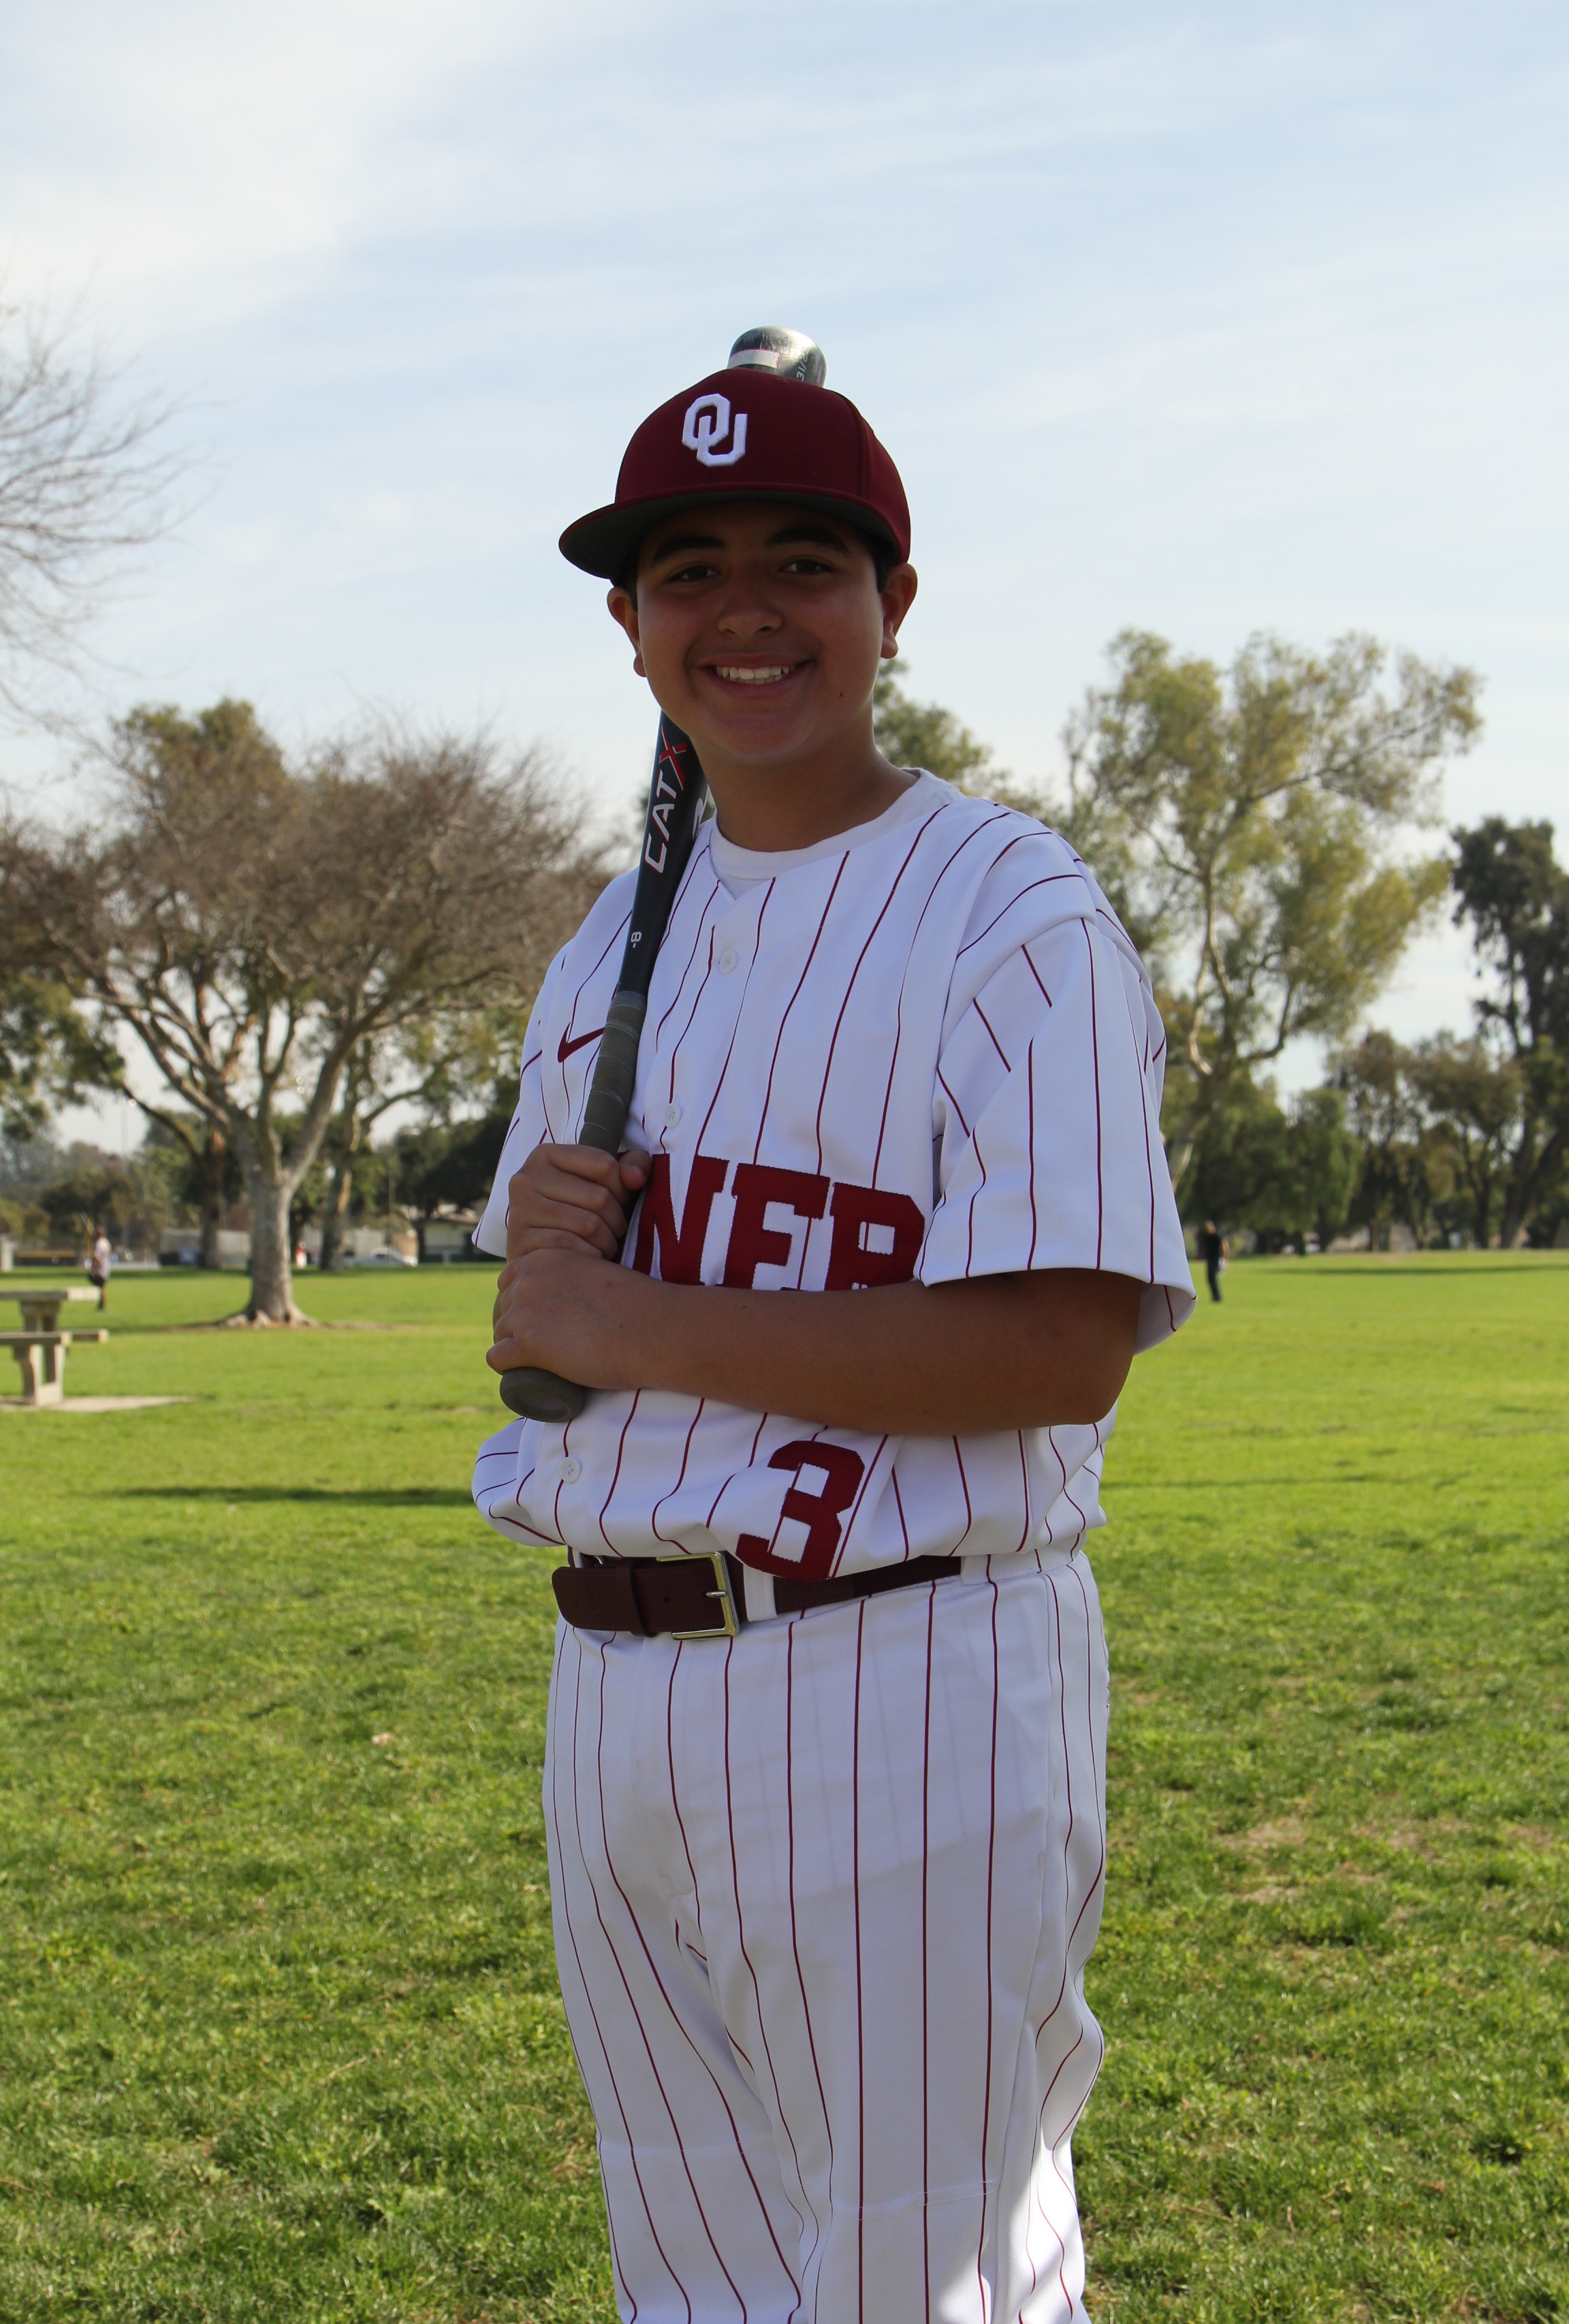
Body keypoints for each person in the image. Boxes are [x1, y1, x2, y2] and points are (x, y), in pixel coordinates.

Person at [475, 339, 1194, 2324]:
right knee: (697, 2281)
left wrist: (628, 1310)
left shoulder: (1010, 913)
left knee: (926, 2279)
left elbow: (1057, 1348)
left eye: (804, 560)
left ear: (894, 602)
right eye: (689, 570)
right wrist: (554, 1269)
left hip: (901, 1668)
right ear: (630, 629)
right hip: (616, 1681)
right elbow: (553, 1323)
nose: (747, 612)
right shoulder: (602, 951)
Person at [1199, 1219, 1226, 1303]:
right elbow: (1206, 1248)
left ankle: (1217, 1296)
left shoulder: (1217, 1236)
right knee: (1210, 1278)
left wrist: (1225, 1258)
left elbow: (1224, 1246)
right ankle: (1215, 1296)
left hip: (1216, 1258)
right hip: (1210, 1259)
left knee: (1213, 1277)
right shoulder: (1207, 1237)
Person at [89, 1227, 111, 1310]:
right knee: (102, 1287)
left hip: (100, 1269)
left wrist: (93, 1269)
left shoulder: (98, 1244)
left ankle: (102, 1305)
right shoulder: (106, 1242)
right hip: (106, 1268)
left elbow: (97, 1258)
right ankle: (102, 1304)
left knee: (100, 1287)